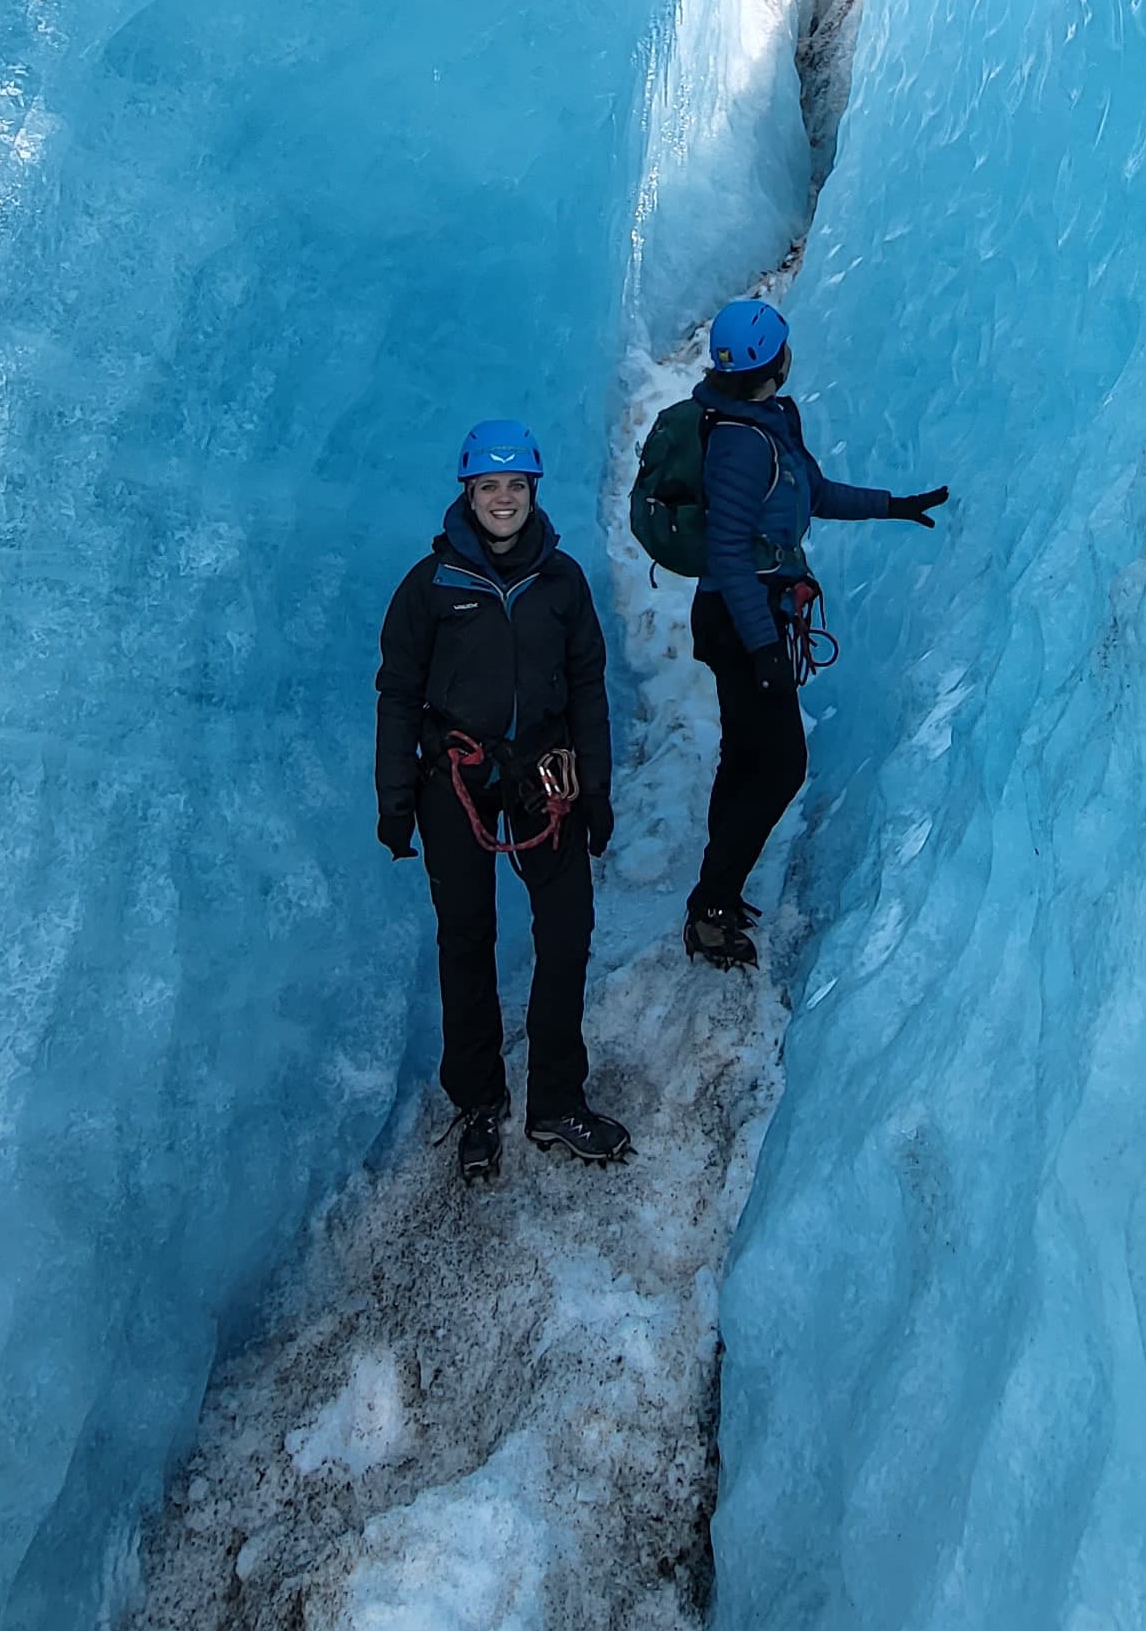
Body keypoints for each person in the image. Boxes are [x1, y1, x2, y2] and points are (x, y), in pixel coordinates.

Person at [375, 420, 632, 1182]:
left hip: (543, 775)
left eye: (515, 485)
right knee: (466, 939)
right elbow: (399, 693)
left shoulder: (562, 581)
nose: (503, 499)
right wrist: (396, 797)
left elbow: (587, 686)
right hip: (454, 779)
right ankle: (480, 1100)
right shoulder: (431, 587)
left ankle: (555, 1099)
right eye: (489, 486)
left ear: (533, 490)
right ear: (468, 492)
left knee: (567, 930)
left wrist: (596, 788)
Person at [682, 297, 945, 967]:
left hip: (750, 615)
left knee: (747, 756)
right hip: (742, 620)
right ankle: (711, 907)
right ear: (777, 361)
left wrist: (892, 506)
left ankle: (716, 892)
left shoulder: (765, 422)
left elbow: (813, 492)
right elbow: (729, 555)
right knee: (780, 767)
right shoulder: (741, 443)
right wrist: (764, 648)